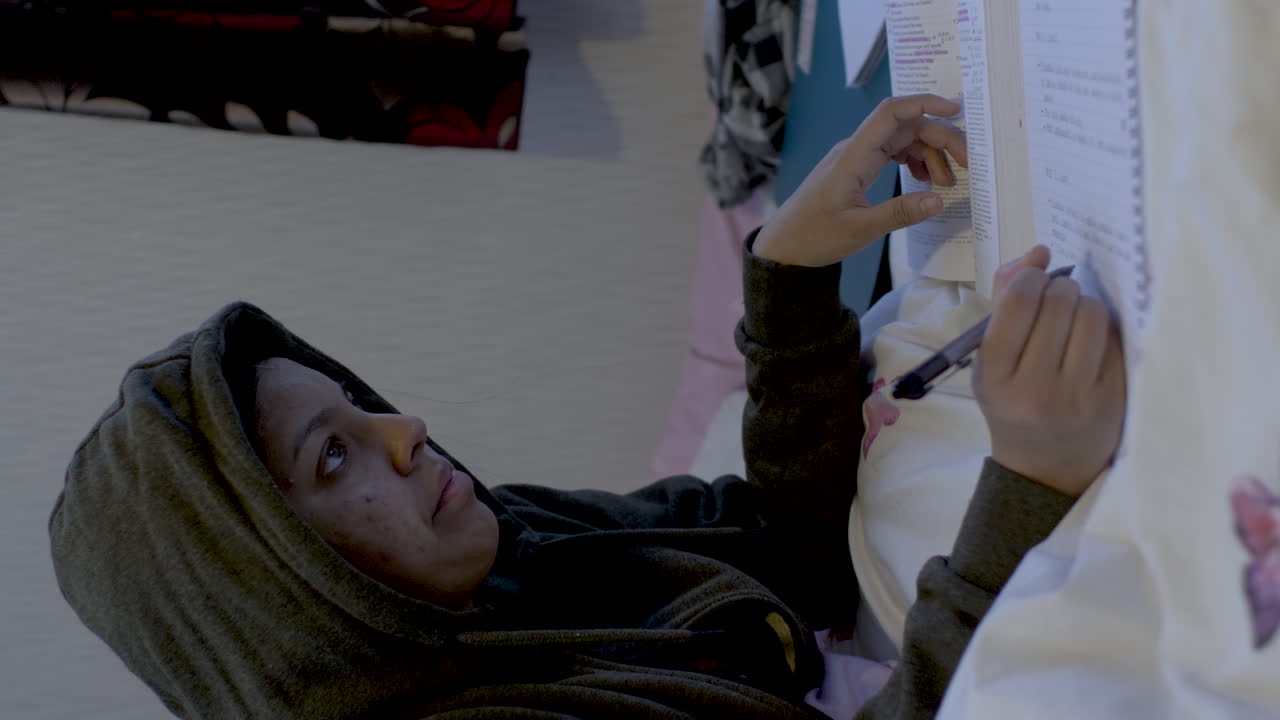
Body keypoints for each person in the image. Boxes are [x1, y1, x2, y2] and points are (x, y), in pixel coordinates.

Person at [49, 94, 1126, 719]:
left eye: (356, 409)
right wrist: (1026, 485)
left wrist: (789, 276)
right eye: (336, 461)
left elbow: (777, 552)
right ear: (277, 600)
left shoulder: (501, 556)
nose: (404, 429)